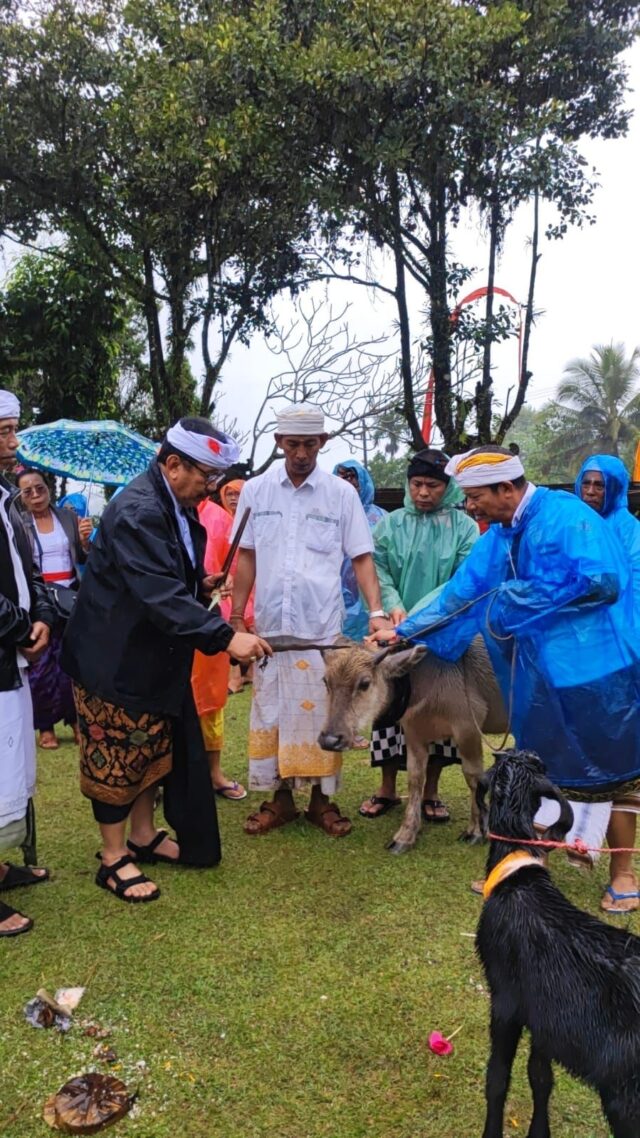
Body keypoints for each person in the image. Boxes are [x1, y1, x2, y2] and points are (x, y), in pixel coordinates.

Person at [372, 445, 640, 912]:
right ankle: (533, 866)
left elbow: (603, 582)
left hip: (597, 668)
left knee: (615, 772)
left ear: (507, 488)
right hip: (541, 673)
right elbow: (461, 595)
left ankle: (623, 874)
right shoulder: (498, 536)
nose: (469, 506)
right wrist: (405, 632)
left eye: (476, 496)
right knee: (537, 767)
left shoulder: (565, 516)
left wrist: (521, 594)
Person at [62, 417, 270, 905]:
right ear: (173, 464)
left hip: (151, 655)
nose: (211, 487)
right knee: (115, 755)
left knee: (149, 752)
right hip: (112, 658)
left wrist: (198, 585)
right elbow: (155, 593)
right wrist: (225, 637)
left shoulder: (175, 503)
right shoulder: (138, 509)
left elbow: (165, 576)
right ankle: (113, 858)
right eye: (205, 477)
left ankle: (142, 834)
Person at [230, 404, 392, 837]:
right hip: (269, 632)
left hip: (321, 634)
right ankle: (279, 800)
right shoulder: (256, 491)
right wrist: (235, 616)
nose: (301, 453)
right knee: (271, 713)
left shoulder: (341, 495)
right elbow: (245, 556)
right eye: (293, 443)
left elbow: (361, 557)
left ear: (322, 443)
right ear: (279, 443)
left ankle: (322, 802)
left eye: (310, 444)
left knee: (326, 713)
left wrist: (376, 613)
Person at [360, 448, 479, 820]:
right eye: (416, 484)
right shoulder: (390, 524)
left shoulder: (465, 529)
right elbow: (378, 568)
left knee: (441, 709)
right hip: (391, 631)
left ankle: (431, 792)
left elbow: (462, 583)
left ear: (449, 487)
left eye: (432, 485)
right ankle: (387, 788)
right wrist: (392, 607)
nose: (423, 493)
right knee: (389, 707)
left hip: (443, 634)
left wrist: (415, 620)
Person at [0, 390, 55, 937]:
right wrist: (20, 627)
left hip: (9, 654)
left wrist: (40, 616)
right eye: (2, 432)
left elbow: (29, 569)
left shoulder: (9, 498)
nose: (13, 443)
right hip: (3, 646)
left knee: (8, 765)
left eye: (13, 429)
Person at [17, 468, 93, 749]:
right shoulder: (18, 523)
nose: (36, 495)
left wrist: (85, 541)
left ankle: (76, 722)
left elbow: (84, 556)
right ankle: (45, 726)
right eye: (28, 492)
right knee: (41, 665)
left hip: (70, 597)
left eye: (40, 488)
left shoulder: (68, 518)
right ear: (21, 497)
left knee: (71, 662)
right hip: (38, 600)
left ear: (48, 488)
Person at [191, 481, 248, 801]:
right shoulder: (156, 513)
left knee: (210, 700)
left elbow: (237, 568)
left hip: (209, 620)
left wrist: (224, 585)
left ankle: (213, 773)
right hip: (166, 623)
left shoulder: (218, 518)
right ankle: (162, 777)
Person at [576, 455, 640, 605]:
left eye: (600, 486)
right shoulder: (574, 521)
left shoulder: (628, 528)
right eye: (586, 484)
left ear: (615, 489)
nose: (590, 492)